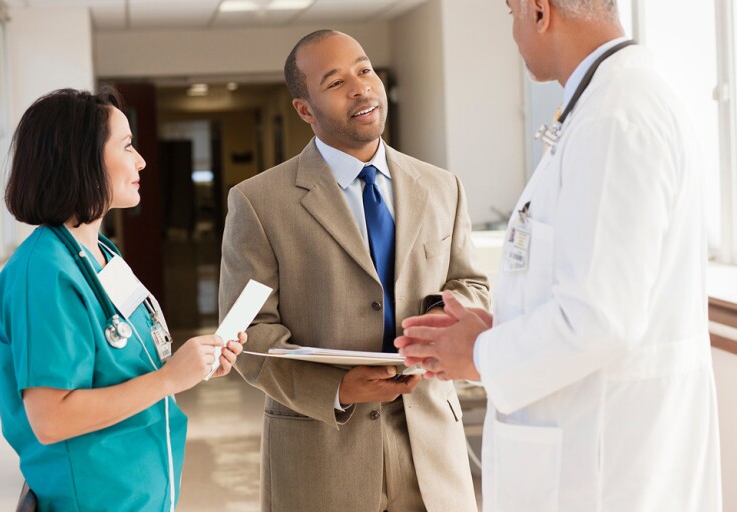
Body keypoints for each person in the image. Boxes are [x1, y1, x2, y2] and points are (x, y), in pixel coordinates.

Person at [396, 1, 722, 510]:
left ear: (539, 10)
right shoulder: (606, 105)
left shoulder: (615, 118)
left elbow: (601, 319)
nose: (514, 30)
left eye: (511, 13)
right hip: (599, 445)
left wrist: (479, 354)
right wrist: (497, 328)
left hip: (603, 467)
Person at [218, 30, 489, 512]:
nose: (361, 88)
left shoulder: (441, 186)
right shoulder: (259, 202)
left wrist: (435, 327)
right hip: (320, 455)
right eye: (336, 81)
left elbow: (471, 284)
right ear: (305, 109)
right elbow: (247, 334)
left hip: (431, 451)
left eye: (365, 70)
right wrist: (338, 388)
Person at [0, 88, 247, 512]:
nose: (141, 160)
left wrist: (190, 367)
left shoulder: (100, 253)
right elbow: (52, 418)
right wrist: (168, 380)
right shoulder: (44, 273)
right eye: (127, 146)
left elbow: (125, 366)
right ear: (82, 160)